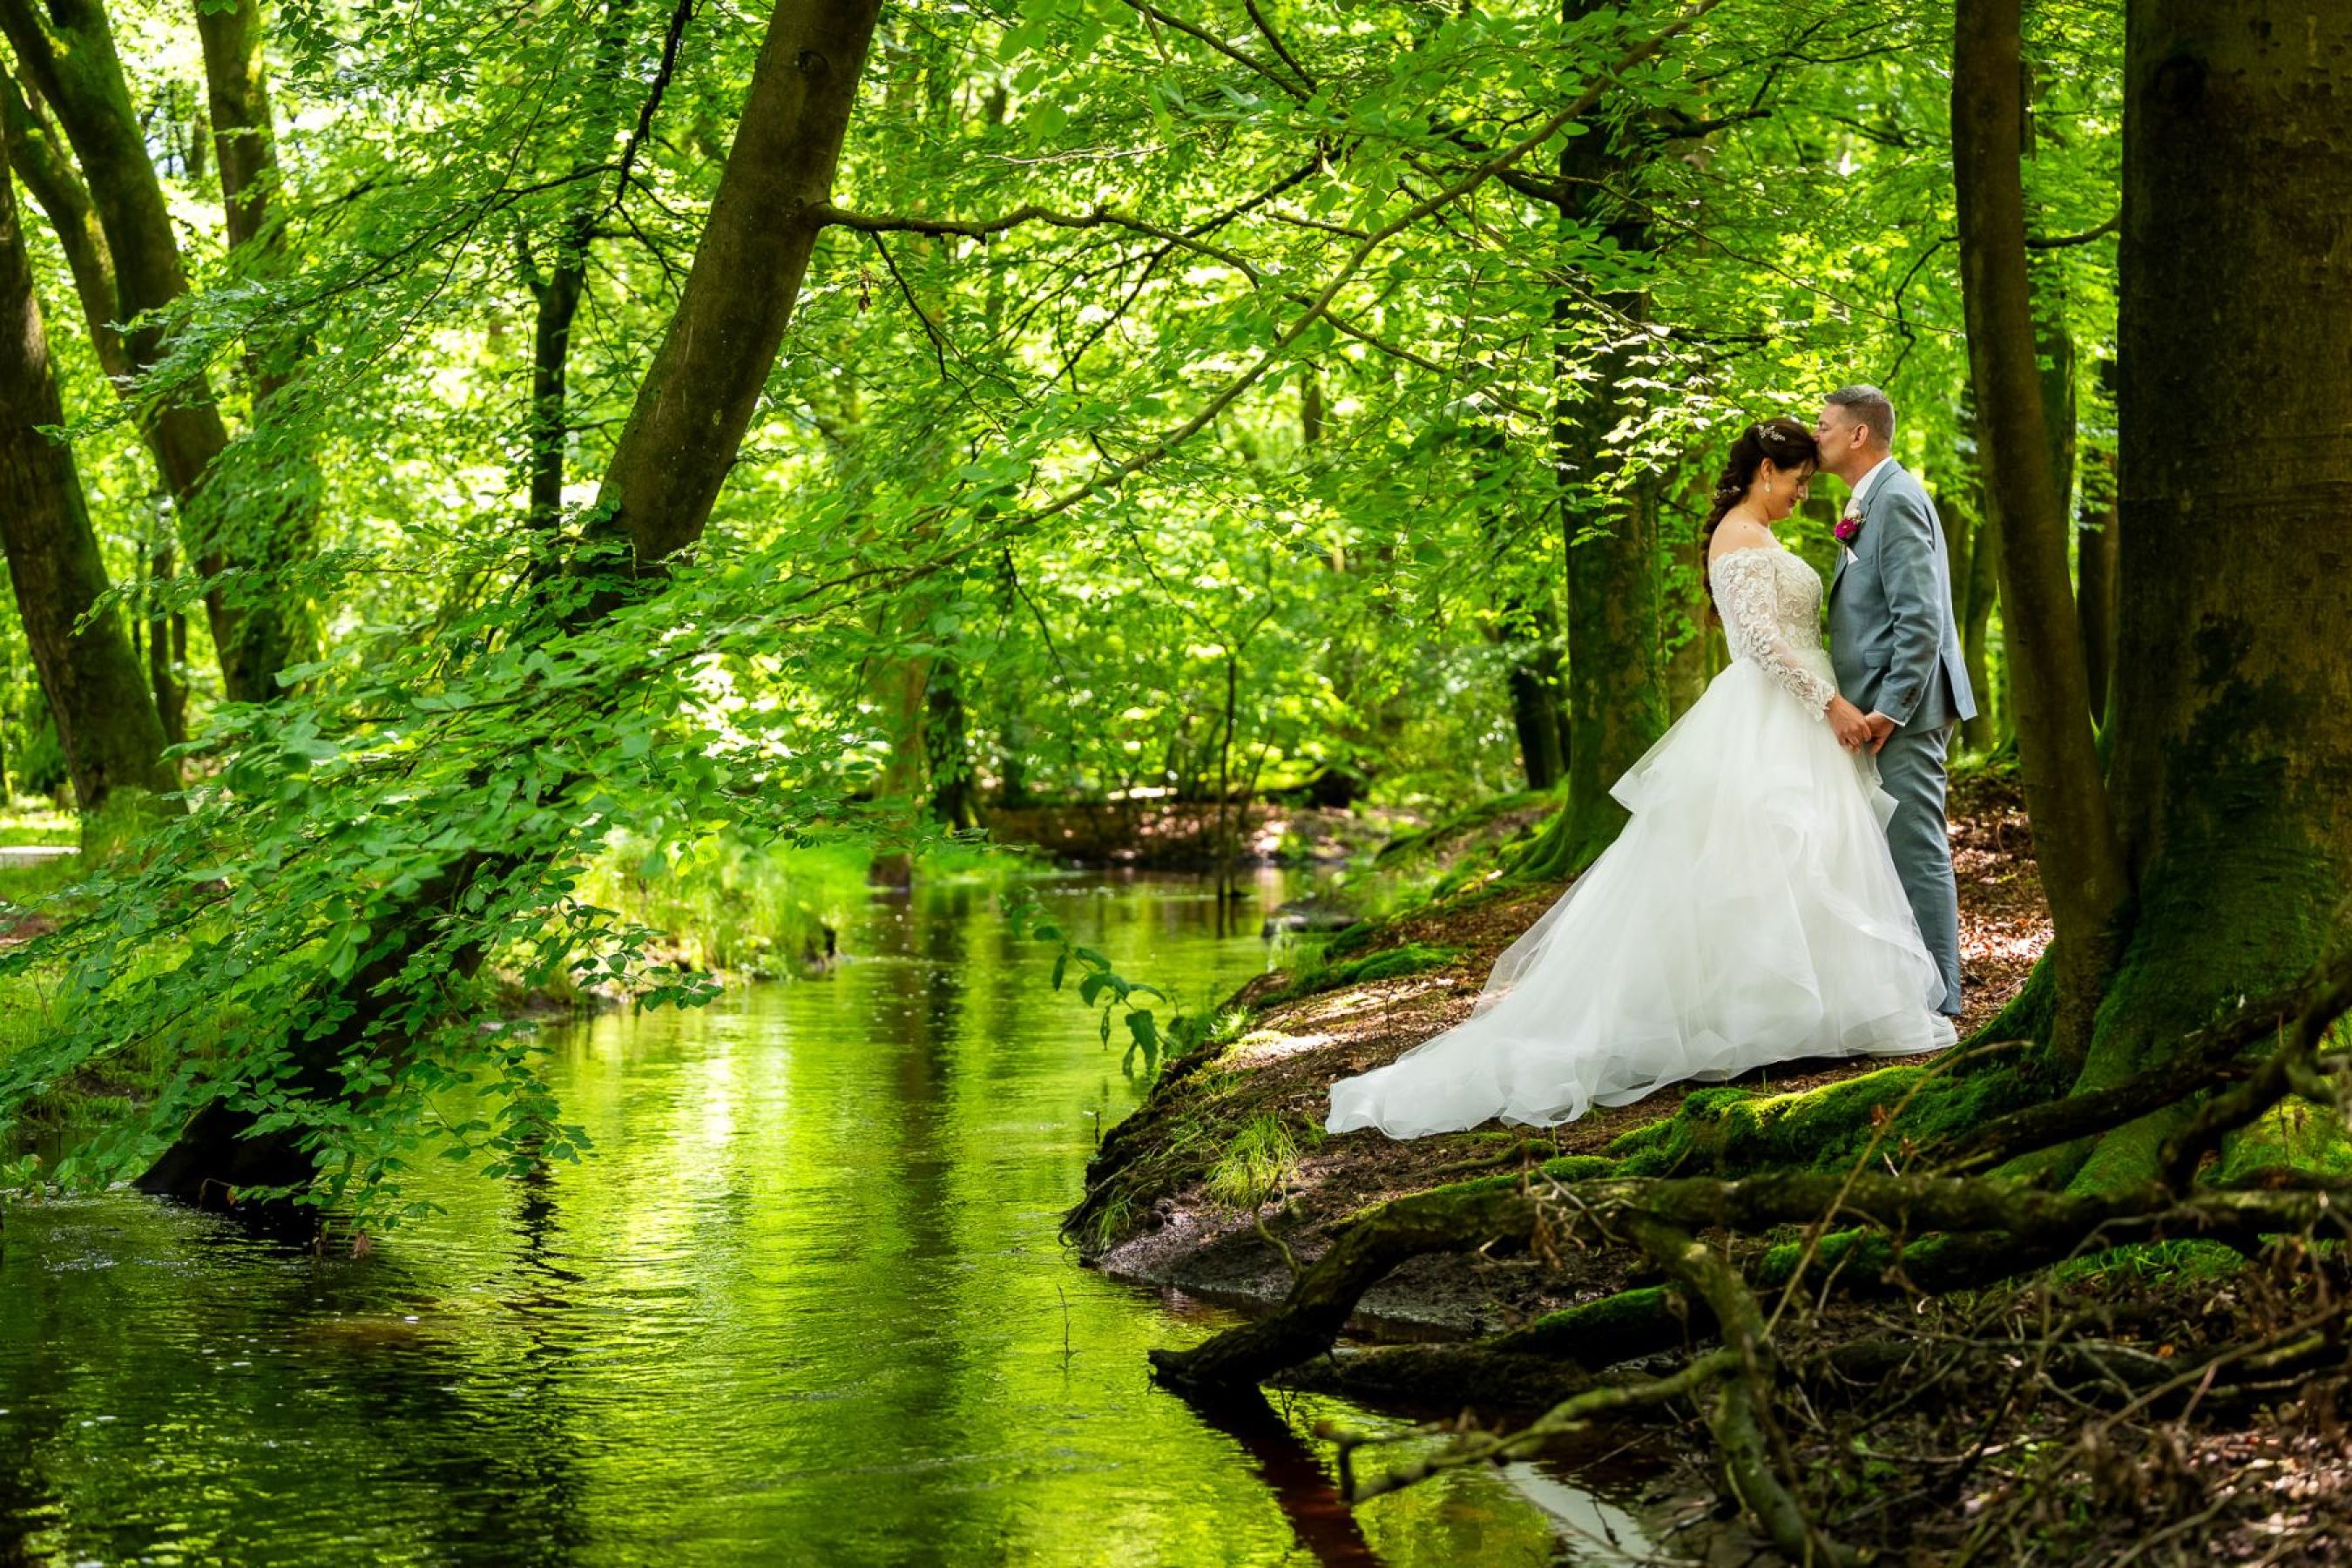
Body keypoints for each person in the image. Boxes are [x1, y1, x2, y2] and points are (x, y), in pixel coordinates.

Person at [1325, 417, 1954, 1139]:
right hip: (1777, 713)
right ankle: (1752, 1018)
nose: (1803, 495)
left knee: (1810, 864)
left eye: (1812, 482)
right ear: (1765, 472)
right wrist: (1832, 702)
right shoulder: (1737, 538)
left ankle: (1808, 1013)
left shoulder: (1766, 536)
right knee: (1756, 863)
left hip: (1804, 720)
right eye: (1798, 481)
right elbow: (1758, 644)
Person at [1811, 386, 1977, 1020]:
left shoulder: (1898, 499)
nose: (1816, 433)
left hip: (1904, 711)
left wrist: (1891, 708)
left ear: (1859, 435)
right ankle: (1910, 990)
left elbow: (1920, 618)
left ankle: (1943, 1000)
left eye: (1825, 425)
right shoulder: (1869, 500)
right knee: (1886, 850)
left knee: (1916, 848)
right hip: (1880, 708)